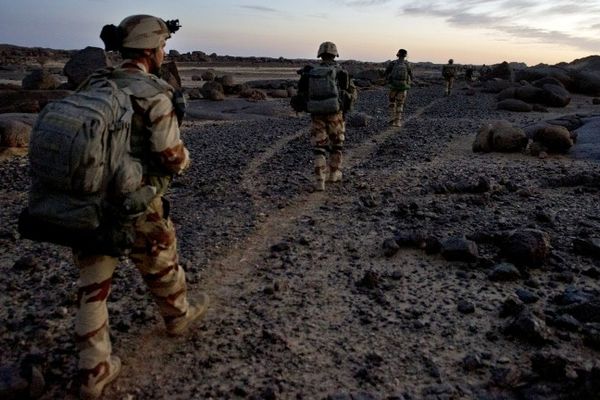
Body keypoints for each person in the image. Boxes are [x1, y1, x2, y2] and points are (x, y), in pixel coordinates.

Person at [72, 15, 208, 399]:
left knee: (93, 286)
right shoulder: (153, 92)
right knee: (161, 260)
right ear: (150, 50)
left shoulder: (95, 83)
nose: (165, 52)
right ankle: (177, 316)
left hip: (89, 199)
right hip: (136, 202)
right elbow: (170, 155)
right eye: (162, 46)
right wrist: (184, 161)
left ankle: (92, 369)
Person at [293, 41, 357, 191]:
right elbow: (351, 93)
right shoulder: (340, 71)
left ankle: (319, 180)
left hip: (316, 113)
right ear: (335, 54)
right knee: (337, 144)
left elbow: (301, 93)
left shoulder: (311, 72)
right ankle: (334, 174)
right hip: (336, 113)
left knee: (319, 147)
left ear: (320, 54)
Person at [384, 48, 413, 127]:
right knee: (400, 104)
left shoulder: (393, 63)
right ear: (405, 55)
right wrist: (409, 83)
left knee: (392, 102)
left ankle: (391, 119)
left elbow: (386, 72)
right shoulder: (407, 64)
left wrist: (387, 81)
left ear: (398, 54)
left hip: (393, 85)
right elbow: (410, 74)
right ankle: (398, 122)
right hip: (403, 86)